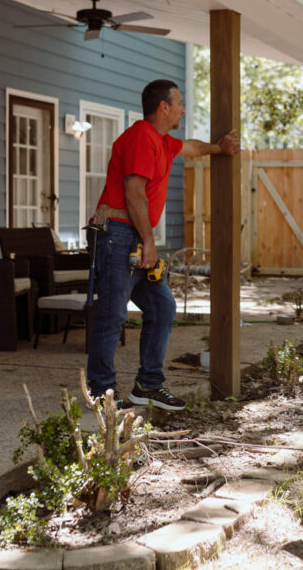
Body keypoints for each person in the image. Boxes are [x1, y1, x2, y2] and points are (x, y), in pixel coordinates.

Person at [86, 79, 239, 409]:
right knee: (112, 315)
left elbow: (192, 148)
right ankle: (101, 394)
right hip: (118, 235)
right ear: (163, 107)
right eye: (180, 103)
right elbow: (134, 192)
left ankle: (148, 385)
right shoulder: (141, 136)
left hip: (133, 238)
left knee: (162, 307)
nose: (184, 109)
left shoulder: (163, 141)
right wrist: (150, 242)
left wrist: (219, 147)